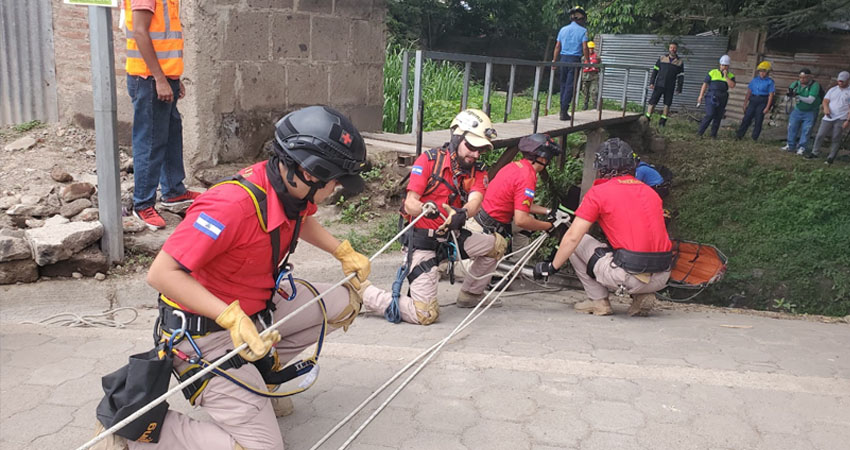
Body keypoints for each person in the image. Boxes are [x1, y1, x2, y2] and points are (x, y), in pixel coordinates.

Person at [93, 106, 372, 450]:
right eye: (335, 180)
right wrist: (229, 315)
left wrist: (340, 250)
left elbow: (302, 218)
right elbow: (162, 273)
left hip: (256, 313)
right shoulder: (229, 206)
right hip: (206, 336)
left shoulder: (288, 189)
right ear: (306, 172)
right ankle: (131, 429)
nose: (337, 188)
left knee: (344, 301)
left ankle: (259, 376)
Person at [361, 109, 506, 325]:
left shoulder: (478, 171)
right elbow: (410, 204)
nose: (476, 154)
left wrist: (462, 213)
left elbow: (476, 200)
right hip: (423, 241)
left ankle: (471, 294)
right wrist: (428, 208)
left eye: (481, 149)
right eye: (472, 147)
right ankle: (364, 292)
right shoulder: (429, 161)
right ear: (457, 138)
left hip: (451, 238)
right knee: (425, 314)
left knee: (497, 245)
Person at [533, 138, 672, 317]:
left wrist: (551, 267)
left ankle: (599, 301)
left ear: (602, 167)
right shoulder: (650, 192)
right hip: (662, 275)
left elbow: (573, 237)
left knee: (576, 242)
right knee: (630, 246)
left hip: (628, 277)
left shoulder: (599, 193)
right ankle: (641, 295)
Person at [125, 0, 201, 230]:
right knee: (150, 142)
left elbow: (166, 39)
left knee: (170, 135)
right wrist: (159, 79)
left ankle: (173, 191)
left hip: (164, 78)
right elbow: (140, 32)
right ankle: (143, 204)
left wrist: (173, 79)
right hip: (149, 80)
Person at [474, 134, 565, 240]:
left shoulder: (515, 166)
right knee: (525, 223)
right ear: (542, 159)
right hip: (486, 230)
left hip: (481, 218)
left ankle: (515, 256)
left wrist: (549, 211)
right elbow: (521, 220)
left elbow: (522, 205)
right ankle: (516, 257)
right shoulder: (527, 177)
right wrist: (549, 226)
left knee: (525, 228)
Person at [552, 6, 589, 120]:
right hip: (574, 60)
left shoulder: (563, 29)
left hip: (563, 59)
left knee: (563, 84)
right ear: (581, 19)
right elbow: (584, 47)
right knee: (570, 86)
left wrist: (554, 61)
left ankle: (562, 109)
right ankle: (564, 111)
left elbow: (557, 46)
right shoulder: (583, 31)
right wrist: (587, 60)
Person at [809, 71, 850, 164]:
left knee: (836, 137)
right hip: (828, 117)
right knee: (820, 135)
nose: (840, 83)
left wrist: (848, 120)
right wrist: (826, 108)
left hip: (841, 118)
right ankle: (815, 152)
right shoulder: (833, 90)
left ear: (848, 81)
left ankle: (831, 157)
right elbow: (825, 100)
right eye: (839, 81)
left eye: (842, 81)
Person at [781, 68, 823, 155]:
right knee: (792, 127)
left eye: (804, 77)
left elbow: (810, 100)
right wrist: (789, 96)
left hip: (811, 111)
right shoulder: (796, 84)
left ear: (809, 77)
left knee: (806, 129)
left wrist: (798, 96)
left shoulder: (815, 85)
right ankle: (790, 145)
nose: (802, 79)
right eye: (800, 77)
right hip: (798, 109)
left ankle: (802, 147)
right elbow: (787, 96)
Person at [646, 42, 685, 127]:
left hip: (670, 86)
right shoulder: (662, 58)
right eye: (671, 48)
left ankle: (662, 121)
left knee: (667, 104)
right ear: (669, 48)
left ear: (676, 49)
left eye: (674, 48)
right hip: (659, 84)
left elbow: (680, 76)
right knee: (652, 102)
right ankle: (647, 118)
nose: (672, 49)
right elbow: (655, 71)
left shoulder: (679, 62)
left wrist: (679, 87)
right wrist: (652, 82)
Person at [697, 55, 736, 138]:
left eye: (726, 66)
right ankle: (700, 133)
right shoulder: (712, 72)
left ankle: (713, 135)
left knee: (718, 117)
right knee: (710, 114)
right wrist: (701, 95)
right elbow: (705, 84)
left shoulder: (731, 75)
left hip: (723, 96)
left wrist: (726, 77)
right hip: (712, 95)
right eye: (722, 65)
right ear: (720, 65)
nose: (724, 67)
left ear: (728, 66)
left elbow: (732, 85)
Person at [736, 61, 775, 141]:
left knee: (758, 120)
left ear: (767, 72)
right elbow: (749, 92)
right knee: (746, 118)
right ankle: (739, 136)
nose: (762, 73)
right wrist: (745, 103)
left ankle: (754, 138)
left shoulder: (770, 82)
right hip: (753, 100)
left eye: (763, 71)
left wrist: (767, 107)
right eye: (760, 71)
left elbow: (771, 95)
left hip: (762, 101)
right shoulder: (754, 80)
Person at [582, 41, 601, 110]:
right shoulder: (583, 57)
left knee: (594, 91)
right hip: (585, 77)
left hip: (594, 76)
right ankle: (585, 105)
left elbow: (600, 66)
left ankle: (595, 106)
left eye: (592, 48)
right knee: (585, 92)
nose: (591, 50)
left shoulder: (597, 57)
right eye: (589, 48)